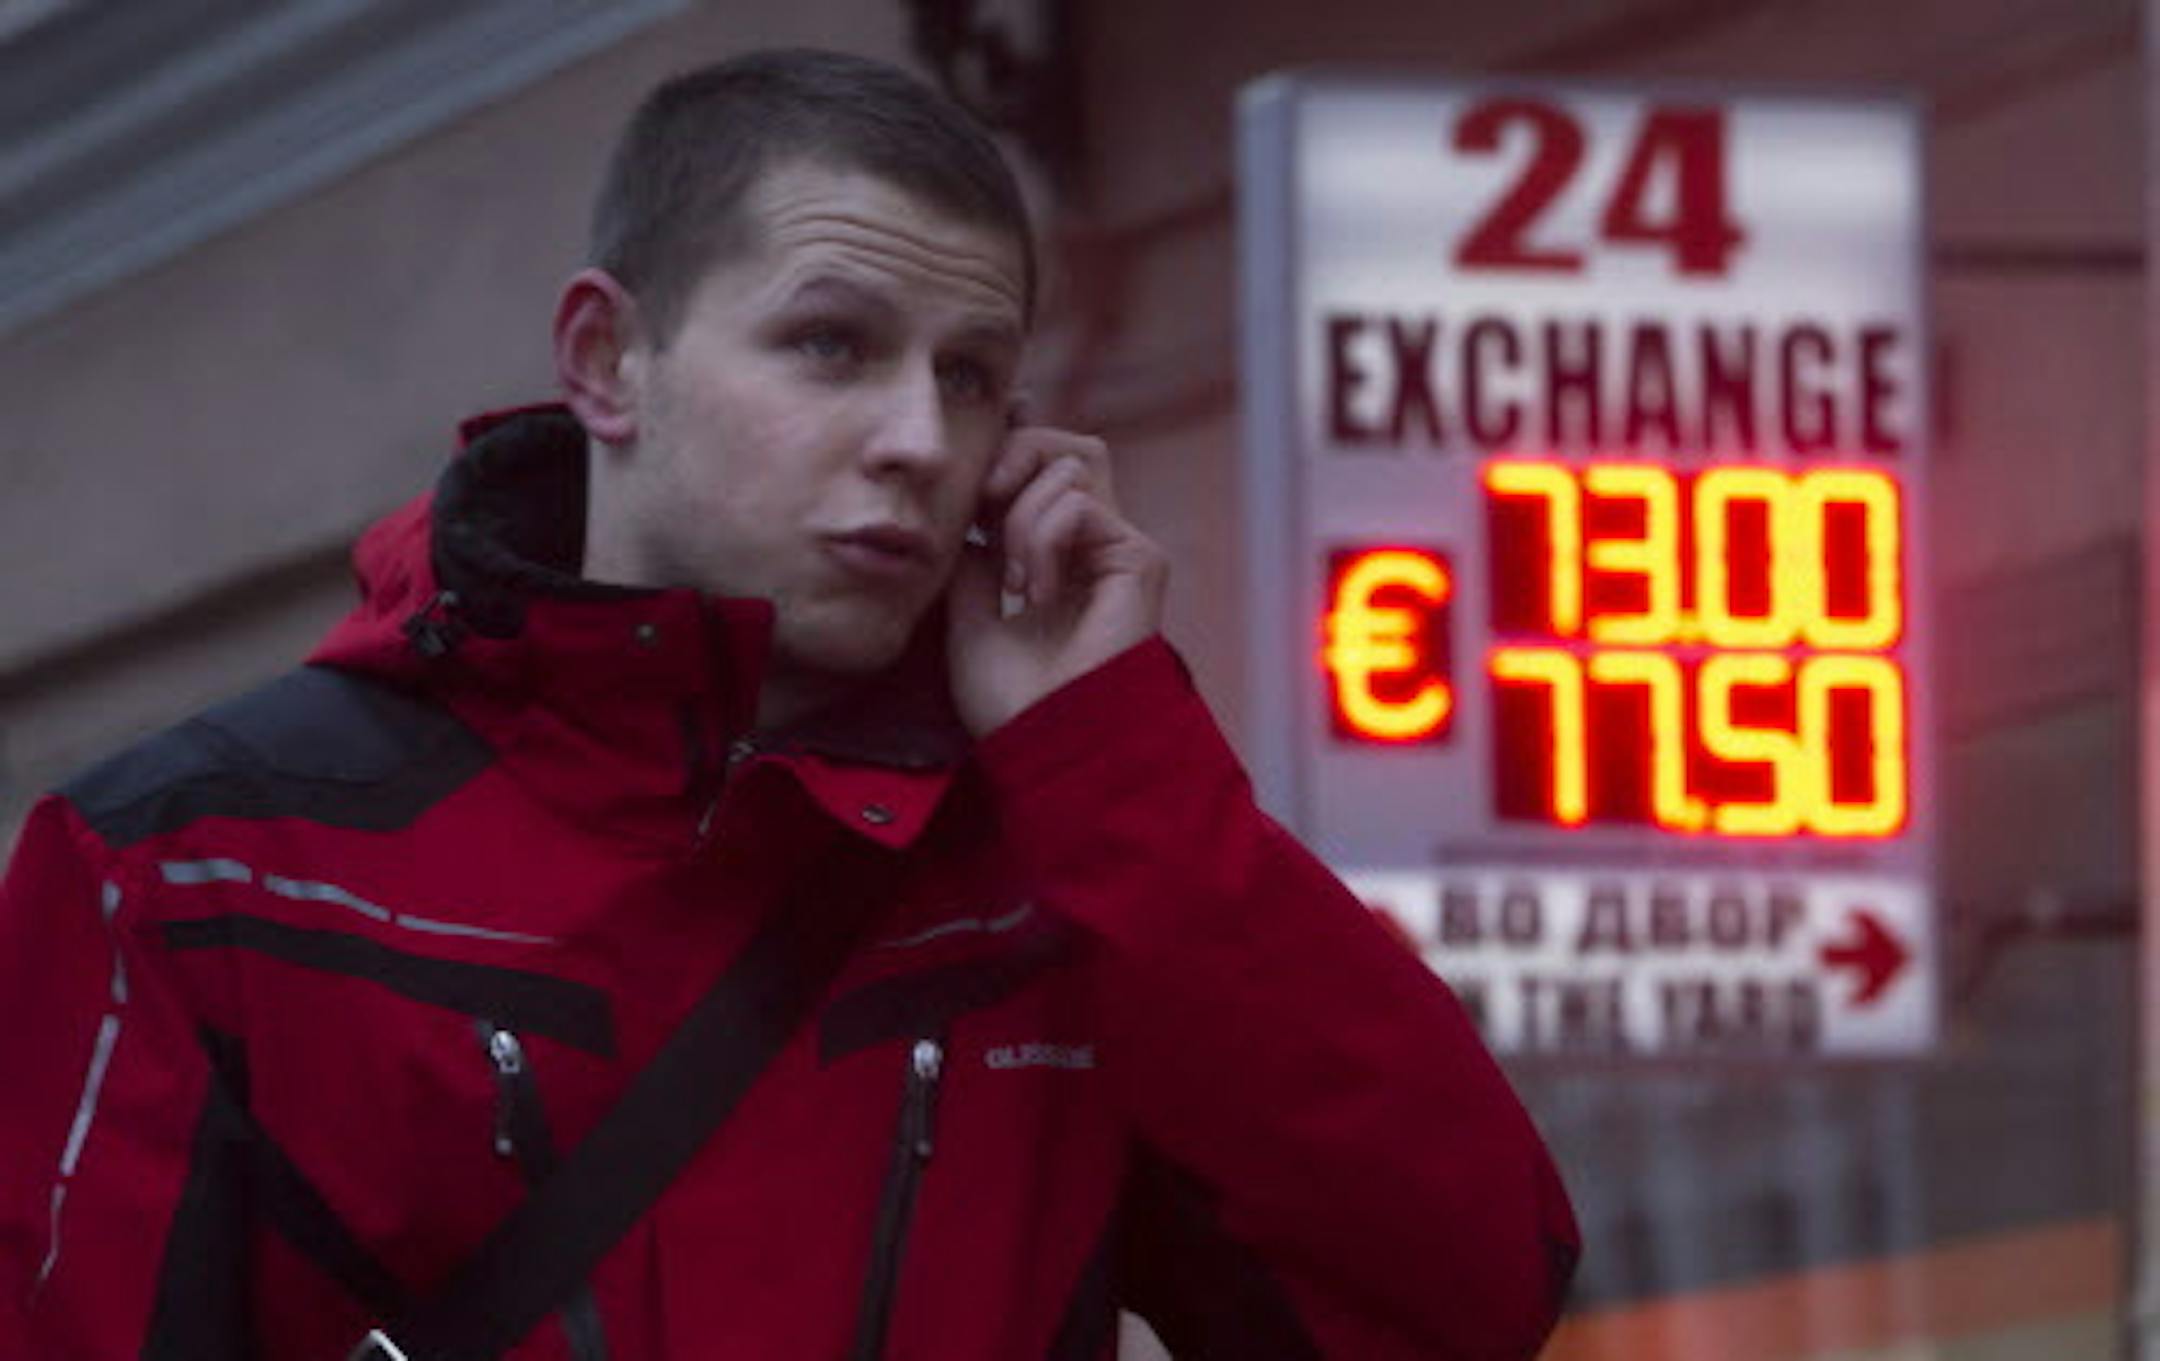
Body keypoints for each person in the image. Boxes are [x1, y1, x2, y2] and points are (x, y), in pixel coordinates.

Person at [0, 48, 1577, 1360]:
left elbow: (1464, 1298)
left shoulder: (1059, 865)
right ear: (608, 360)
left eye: (972, 376)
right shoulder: (193, 866)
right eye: (833, 344)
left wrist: (1112, 755)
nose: (919, 437)